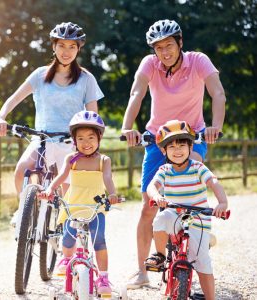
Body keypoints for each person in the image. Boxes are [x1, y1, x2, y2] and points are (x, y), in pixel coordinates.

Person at [120, 19, 226, 289]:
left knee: (195, 176)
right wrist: (126, 127)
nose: (164, 52)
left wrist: (216, 126)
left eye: (169, 45)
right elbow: (136, 93)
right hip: (157, 138)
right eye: (158, 48)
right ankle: (143, 271)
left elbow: (217, 93)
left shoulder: (198, 61)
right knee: (148, 206)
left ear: (180, 43)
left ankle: (199, 236)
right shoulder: (149, 64)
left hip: (192, 136)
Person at [0, 22, 104, 216]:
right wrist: (1, 116)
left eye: (72, 46)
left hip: (70, 143)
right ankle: (24, 213)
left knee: (68, 205)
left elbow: (93, 118)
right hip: (42, 140)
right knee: (21, 171)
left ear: (78, 49)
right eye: (61, 45)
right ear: (54, 47)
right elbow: (15, 98)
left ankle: (70, 240)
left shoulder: (86, 79)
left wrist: (90, 144)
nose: (66, 51)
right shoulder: (40, 75)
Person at [145, 119, 228, 300]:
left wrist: (222, 203)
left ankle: (210, 297)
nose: (177, 150)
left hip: (198, 219)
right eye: (172, 146)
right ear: (163, 150)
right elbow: (152, 186)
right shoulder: (165, 169)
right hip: (175, 214)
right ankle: (159, 254)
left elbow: (213, 181)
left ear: (191, 147)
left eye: (182, 144)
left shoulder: (198, 167)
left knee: (202, 262)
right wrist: (157, 197)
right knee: (160, 219)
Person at [42, 110, 119, 295]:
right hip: (74, 206)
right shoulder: (72, 159)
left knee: (99, 239)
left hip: (96, 207)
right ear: (74, 140)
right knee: (68, 238)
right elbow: (61, 176)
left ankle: (103, 277)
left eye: (91, 137)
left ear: (99, 138)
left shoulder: (103, 160)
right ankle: (67, 260)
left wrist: (113, 194)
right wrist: (50, 189)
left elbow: (108, 179)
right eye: (81, 138)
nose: (86, 143)